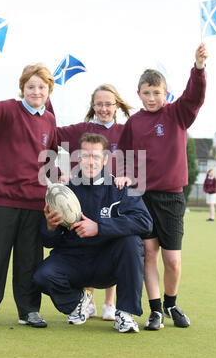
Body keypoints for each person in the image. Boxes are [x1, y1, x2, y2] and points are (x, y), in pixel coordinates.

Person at [117, 43, 208, 330]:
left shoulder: (178, 114)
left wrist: (199, 67)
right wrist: (125, 175)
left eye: (157, 92)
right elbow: (124, 157)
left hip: (171, 197)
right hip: (142, 197)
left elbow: (194, 96)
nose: (152, 97)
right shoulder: (133, 122)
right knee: (150, 253)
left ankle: (171, 303)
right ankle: (155, 310)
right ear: (139, 94)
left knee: (172, 260)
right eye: (147, 93)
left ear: (166, 93)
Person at [0, 63, 59, 328]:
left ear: (49, 90)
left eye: (41, 87)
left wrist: (60, 185)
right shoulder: (6, 110)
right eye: (30, 86)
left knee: (30, 260)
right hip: (4, 201)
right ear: (22, 88)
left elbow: (50, 158)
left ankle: (29, 310)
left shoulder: (50, 120)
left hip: (35, 202)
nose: (36, 91)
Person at [33, 133, 153, 333]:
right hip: (74, 260)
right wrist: (50, 227)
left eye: (96, 156)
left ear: (105, 159)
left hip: (108, 262)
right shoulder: (64, 191)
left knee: (131, 242)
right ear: (78, 158)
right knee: (42, 276)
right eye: (85, 156)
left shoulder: (120, 187)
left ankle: (124, 313)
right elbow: (49, 242)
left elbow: (145, 222)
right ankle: (78, 301)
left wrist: (99, 227)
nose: (90, 161)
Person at [47, 84, 132, 321]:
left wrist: (129, 177)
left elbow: (138, 158)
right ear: (92, 106)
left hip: (114, 195)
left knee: (111, 241)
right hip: (85, 193)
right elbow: (49, 131)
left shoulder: (126, 130)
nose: (104, 108)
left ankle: (110, 303)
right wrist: (59, 172)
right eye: (99, 104)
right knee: (88, 241)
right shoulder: (80, 129)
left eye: (108, 104)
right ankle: (89, 300)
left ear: (117, 105)